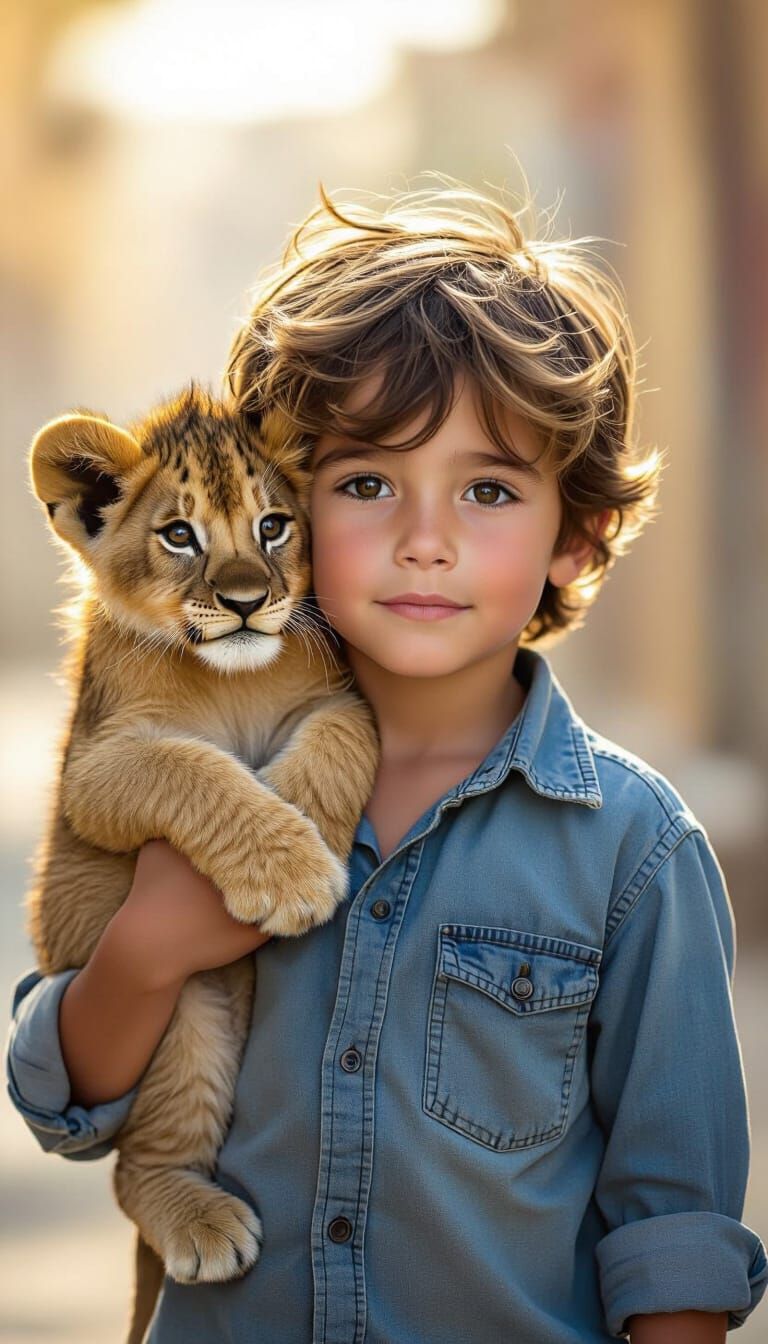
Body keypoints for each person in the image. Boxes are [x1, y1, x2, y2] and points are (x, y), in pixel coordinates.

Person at [6, 178, 767, 1343]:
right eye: (365, 484)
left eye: (489, 489)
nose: (424, 537)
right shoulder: (202, 757)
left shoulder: (634, 848)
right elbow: (71, 1106)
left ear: (577, 534)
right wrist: (149, 950)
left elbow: (675, 1238)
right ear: (291, 508)